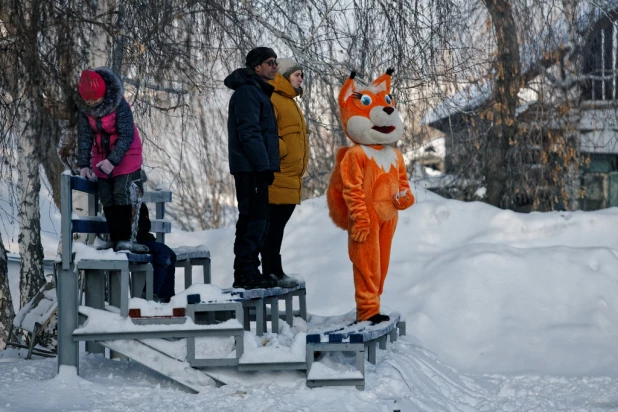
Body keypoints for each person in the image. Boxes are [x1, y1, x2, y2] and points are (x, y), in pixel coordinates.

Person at [224, 47, 281, 289]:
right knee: (253, 221)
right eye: (270, 62)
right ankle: (246, 274)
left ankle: (250, 272)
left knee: (259, 221)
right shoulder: (248, 93)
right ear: (256, 67)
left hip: (255, 167)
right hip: (251, 168)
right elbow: (250, 133)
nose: (274, 66)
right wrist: (262, 165)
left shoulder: (257, 92)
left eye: (275, 62)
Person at [76, 67, 148, 253]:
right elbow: (84, 137)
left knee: (120, 192)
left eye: (95, 99)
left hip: (126, 153)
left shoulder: (120, 105)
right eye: (88, 100)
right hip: (101, 156)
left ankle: (124, 239)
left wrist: (112, 161)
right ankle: (115, 238)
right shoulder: (85, 111)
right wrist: (83, 164)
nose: (91, 103)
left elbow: (127, 135)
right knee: (105, 195)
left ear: (103, 93)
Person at [261, 58, 308, 288]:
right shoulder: (274, 98)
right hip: (279, 174)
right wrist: (283, 152)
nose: (301, 78)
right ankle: (271, 271)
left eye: (302, 75)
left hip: (291, 176)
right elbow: (268, 133)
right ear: (284, 76)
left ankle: (274, 270)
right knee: (274, 226)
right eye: (297, 74)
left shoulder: (290, 101)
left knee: (277, 226)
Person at [136, 202, 176, 303]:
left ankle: (166, 296)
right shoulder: (126, 200)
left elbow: (144, 226)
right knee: (163, 253)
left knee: (171, 255)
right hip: (133, 241)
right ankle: (152, 294)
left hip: (143, 239)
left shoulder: (139, 203)